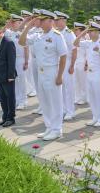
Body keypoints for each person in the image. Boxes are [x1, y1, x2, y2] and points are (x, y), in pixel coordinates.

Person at [19, 10, 67, 141]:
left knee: (55, 101)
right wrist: (28, 26)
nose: (39, 22)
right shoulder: (38, 35)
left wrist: (60, 75)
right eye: (38, 20)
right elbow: (22, 42)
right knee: (45, 101)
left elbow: (63, 56)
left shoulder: (57, 36)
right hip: (40, 72)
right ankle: (49, 127)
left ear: (50, 21)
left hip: (52, 71)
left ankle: (57, 129)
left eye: (42, 20)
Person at [82, 21, 100, 127]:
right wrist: (85, 30)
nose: (90, 33)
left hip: (98, 73)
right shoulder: (88, 43)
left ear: (98, 32)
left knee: (99, 97)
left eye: (92, 31)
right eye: (89, 31)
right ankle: (95, 117)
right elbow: (75, 43)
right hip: (89, 73)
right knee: (92, 97)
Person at [4, 15, 29, 110]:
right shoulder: (9, 33)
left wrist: (26, 61)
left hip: (20, 59)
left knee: (21, 81)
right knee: (14, 81)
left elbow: (26, 48)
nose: (16, 24)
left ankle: (23, 101)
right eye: (14, 22)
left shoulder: (22, 33)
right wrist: (7, 24)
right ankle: (17, 100)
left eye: (18, 22)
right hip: (11, 60)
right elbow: (0, 32)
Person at [55, 11, 76, 121]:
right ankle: (63, 109)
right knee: (61, 88)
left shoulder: (69, 33)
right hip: (59, 62)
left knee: (68, 88)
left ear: (64, 20)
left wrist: (72, 65)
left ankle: (70, 111)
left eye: (58, 20)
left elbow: (74, 50)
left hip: (67, 62)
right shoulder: (57, 32)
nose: (56, 22)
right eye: (55, 20)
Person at [20, 10, 37, 97]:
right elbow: (20, 28)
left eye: (26, 17)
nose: (24, 18)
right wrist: (26, 21)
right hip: (29, 52)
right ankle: (30, 89)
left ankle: (33, 89)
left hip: (34, 54)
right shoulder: (30, 28)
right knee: (29, 73)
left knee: (31, 73)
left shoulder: (39, 29)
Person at [71, 22, 89, 106]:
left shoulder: (85, 41)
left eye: (77, 30)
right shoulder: (76, 39)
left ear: (81, 31)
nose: (75, 31)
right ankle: (77, 97)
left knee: (83, 81)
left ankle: (84, 98)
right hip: (76, 63)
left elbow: (87, 54)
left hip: (82, 63)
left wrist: (86, 64)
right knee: (76, 81)